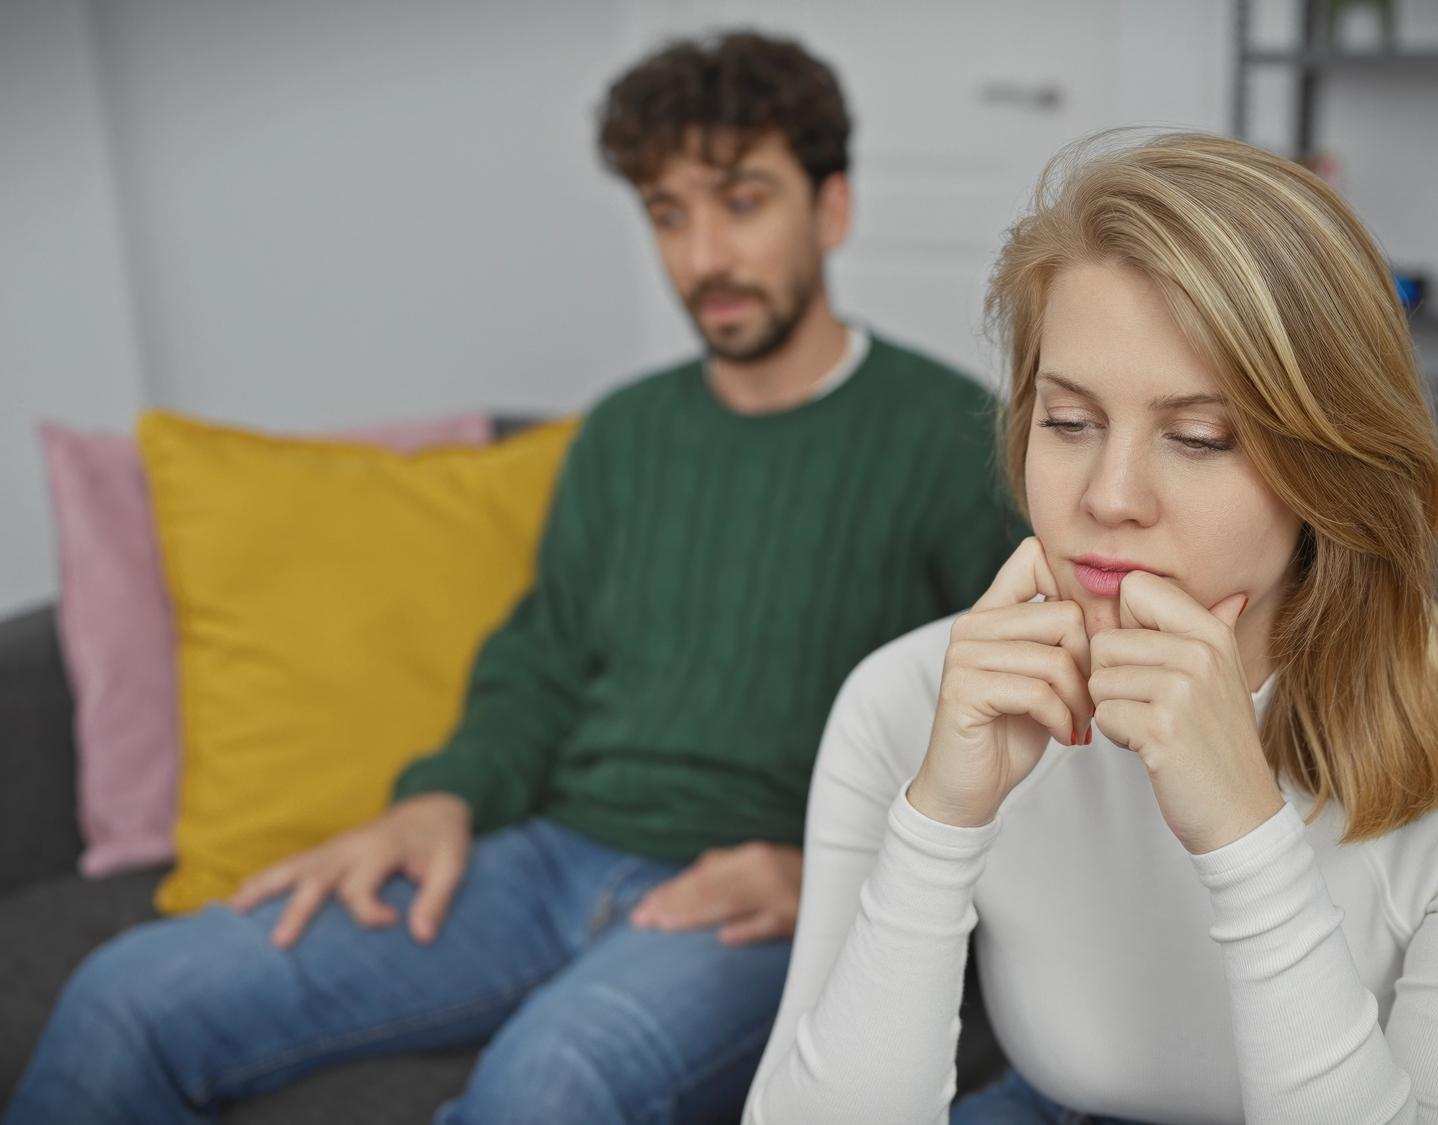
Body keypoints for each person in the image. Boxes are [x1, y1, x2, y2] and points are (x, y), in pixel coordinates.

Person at [5, 33, 1020, 1125]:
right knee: (124, 996)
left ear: (829, 210)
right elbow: (538, 660)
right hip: (543, 856)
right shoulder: (625, 434)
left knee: (547, 1088)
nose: (703, 255)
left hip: (762, 897)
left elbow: (1020, 741)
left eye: (741, 201)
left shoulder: (953, 441)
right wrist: (438, 800)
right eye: (668, 214)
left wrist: (840, 878)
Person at [743, 132, 1438, 1125]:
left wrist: (1246, 836)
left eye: (1199, 439)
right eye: (1068, 423)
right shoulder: (906, 698)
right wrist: (939, 821)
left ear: (1330, 468)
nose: (1107, 497)